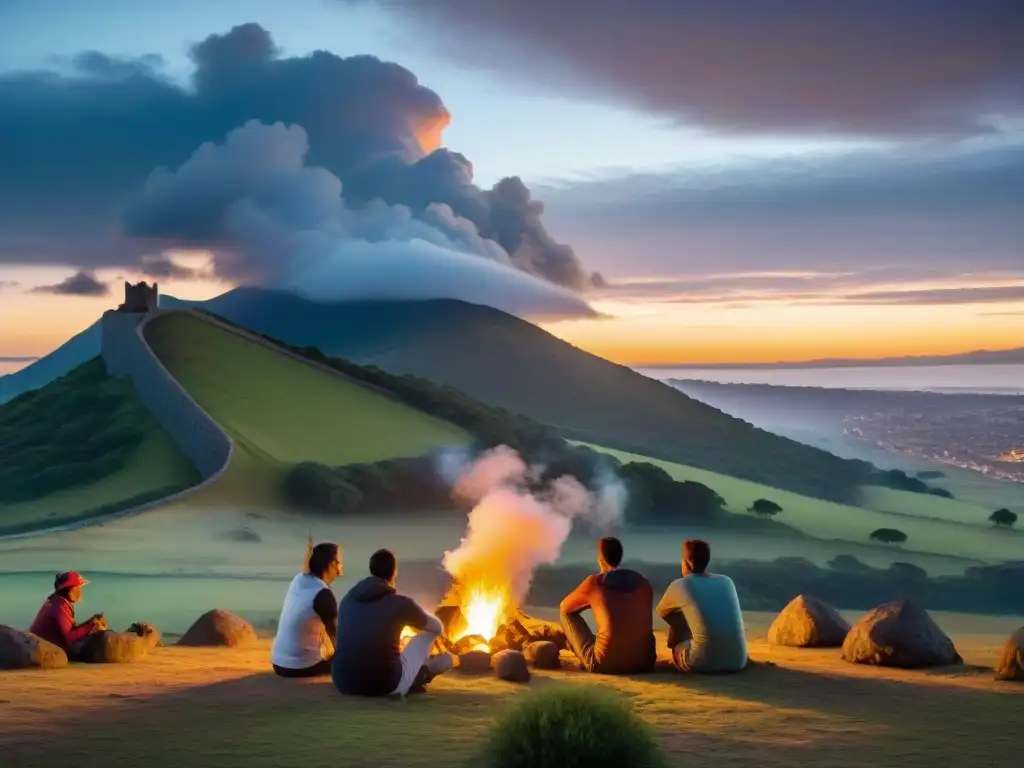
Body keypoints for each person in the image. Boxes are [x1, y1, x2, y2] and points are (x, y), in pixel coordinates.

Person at [331, 549, 454, 697]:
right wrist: (416, 616)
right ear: (394, 573)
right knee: (440, 649)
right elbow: (437, 627)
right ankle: (424, 672)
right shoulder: (400, 604)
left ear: (372, 570)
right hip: (386, 686)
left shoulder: (347, 600)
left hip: (344, 684)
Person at [559, 536, 656, 674]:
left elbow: (565, 607)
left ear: (600, 558)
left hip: (604, 664)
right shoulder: (643, 583)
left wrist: (593, 601)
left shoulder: (595, 583)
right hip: (645, 663)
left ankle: (586, 654)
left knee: (566, 613)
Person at [656, 539, 748, 674]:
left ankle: (677, 659)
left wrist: (681, 626)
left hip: (700, 662)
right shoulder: (726, 581)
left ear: (686, 562)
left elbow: (662, 612)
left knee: (676, 618)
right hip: (738, 661)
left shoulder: (680, 585)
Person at [271, 541, 343, 678]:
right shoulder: (323, 595)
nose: (342, 566)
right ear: (332, 564)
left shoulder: (298, 580)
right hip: (300, 666)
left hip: (278, 662)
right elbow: (336, 638)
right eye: (340, 562)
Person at [28, 571, 107, 658]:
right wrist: (91, 625)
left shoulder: (58, 601)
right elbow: (70, 637)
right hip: (44, 649)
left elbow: (70, 630)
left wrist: (90, 622)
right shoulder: (59, 606)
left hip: (43, 644)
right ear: (69, 589)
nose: (80, 592)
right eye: (77, 588)